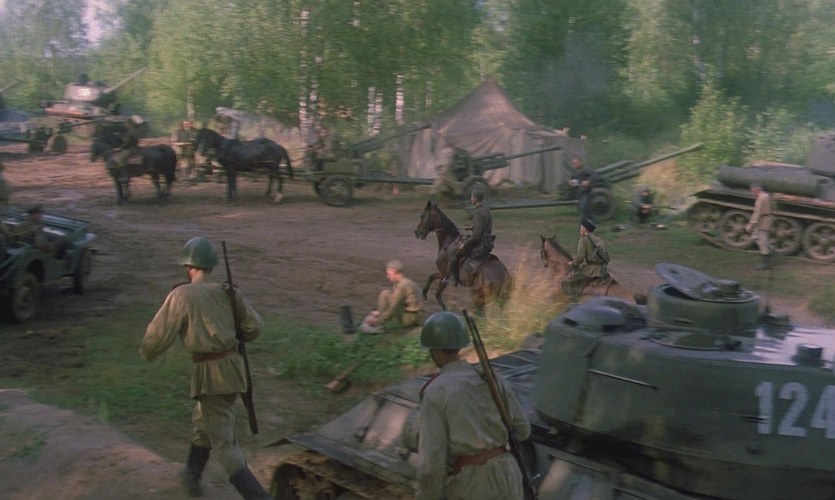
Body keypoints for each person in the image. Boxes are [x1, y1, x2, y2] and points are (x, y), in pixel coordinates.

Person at [140, 237, 270, 499]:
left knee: (224, 442)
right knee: (205, 423)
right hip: (234, 370)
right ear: (211, 267)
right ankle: (191, 475)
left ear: (188, 267)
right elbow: (254, 328)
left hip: (211, 375)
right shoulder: (229, 292)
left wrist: (147, 351)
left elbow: (158, 334)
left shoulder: (182, 295)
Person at [415, 311, 531, 500]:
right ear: (460, 346)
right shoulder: (490, 378)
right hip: (508, 474)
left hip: (473, 483)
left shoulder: (436, 391)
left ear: (434, 350)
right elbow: (523, 431)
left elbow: (432, 462)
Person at [360, 259, 426, 333]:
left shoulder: (402, 285)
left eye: (389, 274)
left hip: (413, 318)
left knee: (386, 296)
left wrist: (376, 321)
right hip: (416, 316)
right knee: (385, 293)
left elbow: (393, 309)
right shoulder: (405, 282)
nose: (387, 276)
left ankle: (378, 325)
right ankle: (379, 316)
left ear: (395, 272)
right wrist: (379, 313)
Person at [446, 189, 493, 286]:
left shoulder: (478, 212)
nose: (471, 199)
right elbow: (484, 227)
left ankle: (453, 278)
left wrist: (464, 244)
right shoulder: (486, 210)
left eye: (472, 197)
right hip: (488, 242)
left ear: (475, 198)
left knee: (452, 252)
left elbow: (476, 236)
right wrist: (471, 227)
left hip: (480, 244)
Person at [562, 218, 610, 301]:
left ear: (585, 229)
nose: (580, 229)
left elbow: (580, 257)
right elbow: (607, 258)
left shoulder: (584, 240)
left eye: (581, 227)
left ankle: (573, 302)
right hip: (603, 271)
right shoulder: (599, 240)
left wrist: (572, 263)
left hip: (591, 272)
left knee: (566, 283)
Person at [746, 182, 772, 270]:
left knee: (762, 241)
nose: (753, 193)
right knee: (755, 237)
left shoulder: (761, 198)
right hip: (765, 219)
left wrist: (751, 225)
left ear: (758, 190)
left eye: (753, 191)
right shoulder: (766, 196)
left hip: (762, 221)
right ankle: (768, 251)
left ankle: (765, 263)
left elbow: (757, 213)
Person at [113, 116, 143, 187]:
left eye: (126, 123)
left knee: (120, 159)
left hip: (131, 149)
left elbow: (127, 142)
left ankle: (125, 176)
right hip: (133, 147)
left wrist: (120, 148)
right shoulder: (133, 130)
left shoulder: (131, 131)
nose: (125, 125)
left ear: (129, 124)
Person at [568, 156, 595, 221]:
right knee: (586, 207)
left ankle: (584, 222)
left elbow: (595, 175)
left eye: (576, 163)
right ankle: (591, 220)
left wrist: (588, 181)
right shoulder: (574, 171)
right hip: (578, 191)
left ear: (580, 162)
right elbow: (571, 178)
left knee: (583, 207)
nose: (574, 165)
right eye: (573, 163)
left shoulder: (586, 169)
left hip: (586, 191)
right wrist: (570, 182)